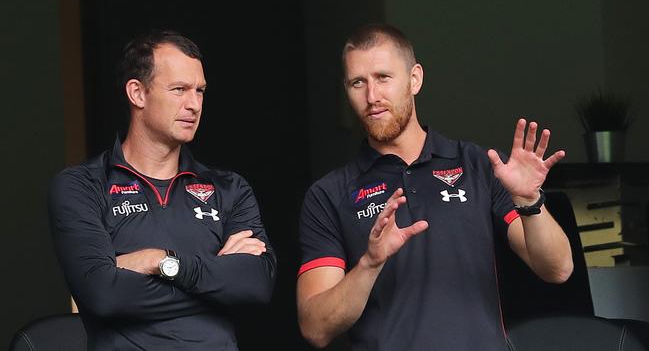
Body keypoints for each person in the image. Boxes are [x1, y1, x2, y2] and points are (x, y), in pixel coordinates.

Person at [296, 24, 573, 350]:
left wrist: (529, 201)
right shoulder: (329, 194)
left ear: (415, 79)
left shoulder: (478, 165)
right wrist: (369, 265)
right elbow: (315, 328)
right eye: (358, 83)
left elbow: (558, 269)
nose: (372, 97)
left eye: (383, 77)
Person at [48, 30, 276, 350]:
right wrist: (217, 275)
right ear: (137, 93)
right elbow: (103, 294)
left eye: (200, 91)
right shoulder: (81, 186)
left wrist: (161, 261)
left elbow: (257, 284)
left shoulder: (229, 188)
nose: (194, 104)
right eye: (179, 89)